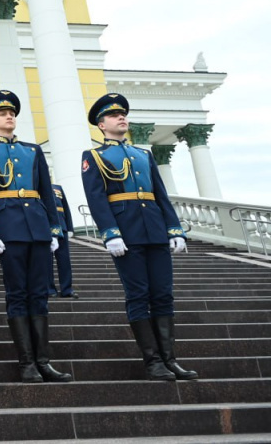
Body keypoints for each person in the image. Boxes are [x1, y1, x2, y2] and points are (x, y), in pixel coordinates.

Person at [82, 93, 196, 381]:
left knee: (163, 295)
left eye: (123, 114)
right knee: (138, 295)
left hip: (155, 230)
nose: (122, 118)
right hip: (126, 234)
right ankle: (153, 361)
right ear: (101, 124)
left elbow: (160, 194)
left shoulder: (143, 155)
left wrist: (174, 229)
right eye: (114, 115)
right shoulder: (94, 156)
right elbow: (96, 199)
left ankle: (171, 360)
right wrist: (110, 233)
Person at [0, 90, 72, 383]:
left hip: (37, 228)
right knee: (17, 295)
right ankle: (26, 363)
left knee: (39, 295)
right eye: (2, 114)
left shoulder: (32, 150)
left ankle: (44, 362)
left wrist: (54, 228)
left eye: (12, 112)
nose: (9, 116)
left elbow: (46, 191)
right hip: (8, 229)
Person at [48, 182, 79, 299]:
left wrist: (70, 227)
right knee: (47, 261)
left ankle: (67, 289)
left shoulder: (57, 187)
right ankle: (50, 289)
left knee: (64, 260)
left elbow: (65, 208)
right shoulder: (35, 186)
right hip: (45, 227)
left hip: (62, 227)